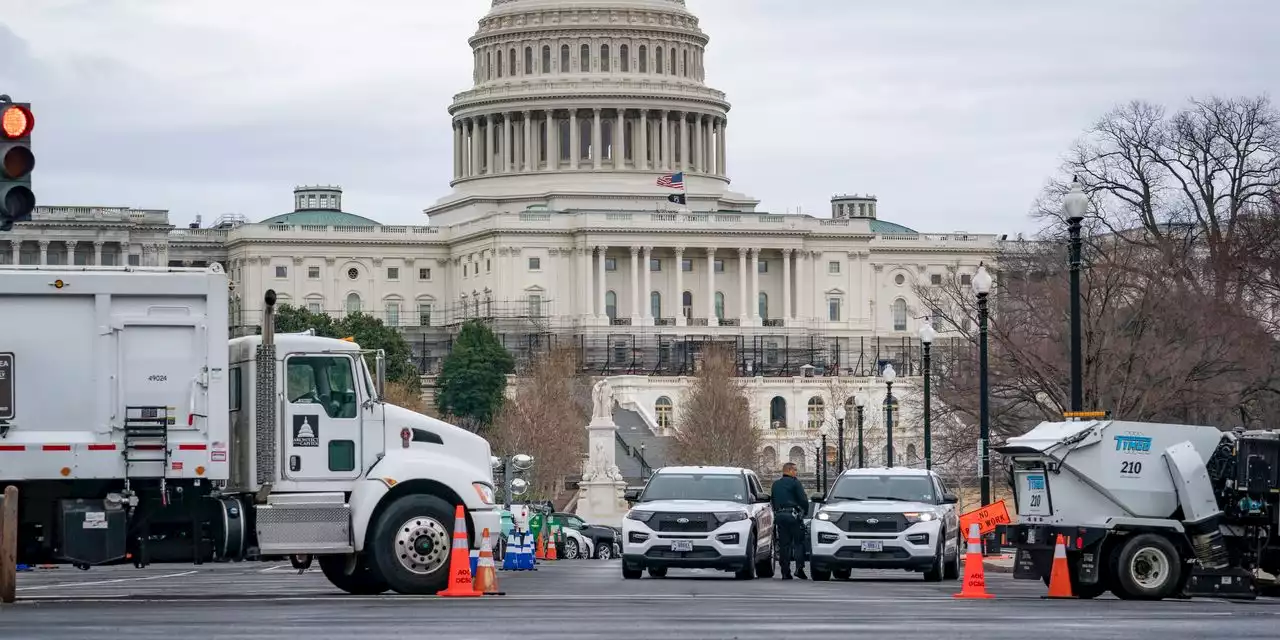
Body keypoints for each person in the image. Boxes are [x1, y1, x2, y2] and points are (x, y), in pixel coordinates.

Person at [770, 462, 809, 580]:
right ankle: (799, 568)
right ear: (790, 470)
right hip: (793, 516)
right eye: (795, 470)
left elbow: (773, 500)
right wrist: (804, 512)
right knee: (798, 543)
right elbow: (803, 500)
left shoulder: (775, 485)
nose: (796, 472)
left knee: (784, 544)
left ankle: (785, 571)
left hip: (780, 516)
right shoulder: (795, 483)